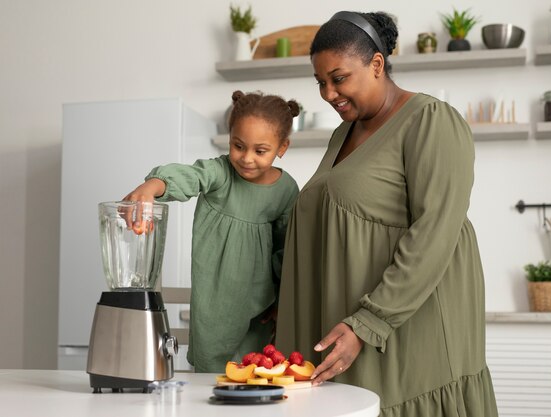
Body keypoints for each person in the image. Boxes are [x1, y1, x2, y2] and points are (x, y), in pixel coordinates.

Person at [275, 11, 499, 416]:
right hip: (347, 333)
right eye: (320, 82)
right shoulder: (343, 134)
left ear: (376, 64)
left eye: (338, 78)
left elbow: (436, 230)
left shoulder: (431, 120)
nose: (328, 93)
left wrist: (369, 321)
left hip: (409, 335)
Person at [123, 90, 300, 373]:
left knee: (256, 380)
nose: (246, 158)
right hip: (215, 309)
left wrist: (282, 302)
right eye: (238, 145)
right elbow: (189, 176)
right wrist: (151, 188)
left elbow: (287, 250)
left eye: (260, 150)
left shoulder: (287, 190)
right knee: (211, 385)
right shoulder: (220, 173)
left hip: (261, 311)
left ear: (282, 147)